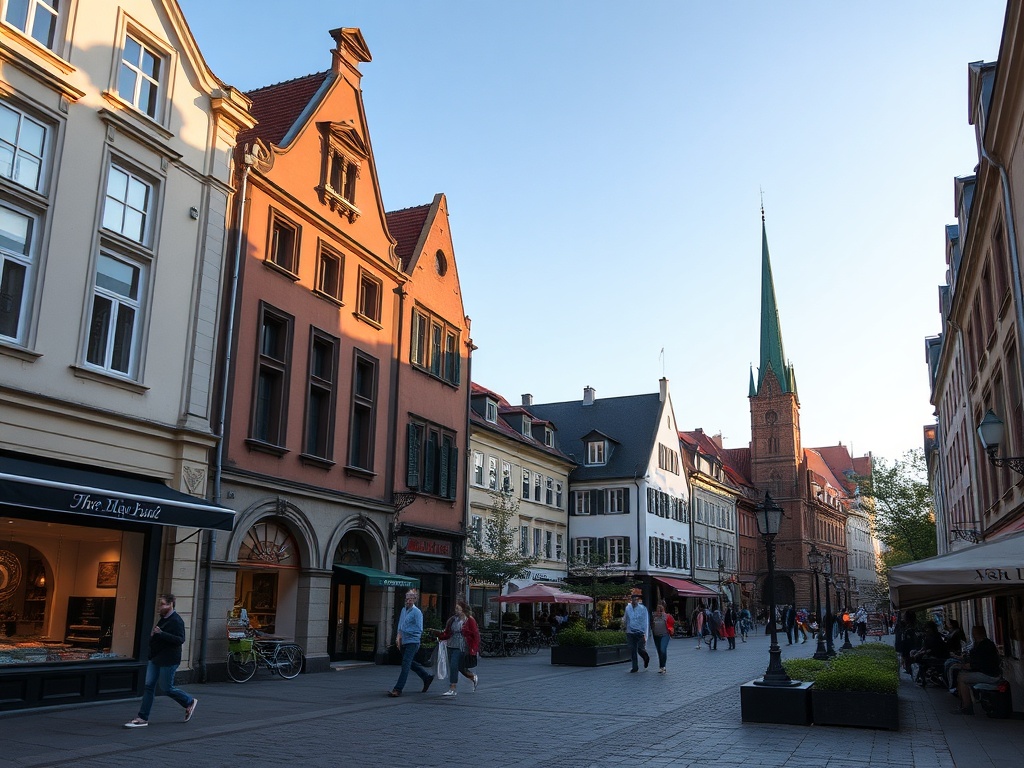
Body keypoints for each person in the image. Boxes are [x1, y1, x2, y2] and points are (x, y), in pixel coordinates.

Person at [124, 594, 198, 728]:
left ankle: (189, 701)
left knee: (166, 688)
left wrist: (161, 634)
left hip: (169, 660)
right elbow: (158, 636)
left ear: (171, 605)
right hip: (156, 658)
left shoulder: (176, 620)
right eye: (160, 604)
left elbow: (180, 639)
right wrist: (154, 637)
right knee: (149, 686)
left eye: (163, 604)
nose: (160, 607)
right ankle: (142, 717)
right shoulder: (163, 619)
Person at [387, 590, 434, 697]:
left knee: (405, 665)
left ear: (415, 600)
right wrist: (398, 636)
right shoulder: (404, 610)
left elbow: (419, 629)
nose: (408, 601)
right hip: (403, 641)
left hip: (413, 642)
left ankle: (397, 689)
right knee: (409, 663)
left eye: (411, 599)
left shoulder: (417, 612)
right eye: (407, 599)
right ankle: (426, 677)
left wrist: (404, 632)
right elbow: (400, 624)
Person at [953, 624, 1002, 715]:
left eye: (973, 633)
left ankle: (967, 707)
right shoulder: (986, 644)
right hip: (991, 673)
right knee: (963, 675)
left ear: (975, 634)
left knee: (962, 678)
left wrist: (963, 666)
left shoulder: (983, 646)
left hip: (989, 675)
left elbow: (975, 664)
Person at [436, 598, 480, 696]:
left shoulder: (469, 620)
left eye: (458, 609)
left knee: (453, 665)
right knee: (460, 667)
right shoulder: (452, 620)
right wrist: (440, 636)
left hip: (461, 646)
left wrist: (474, 648)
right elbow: (447, 632)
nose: (456, 611)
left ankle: (452, 687)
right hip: (451, 644)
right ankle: (472, 677)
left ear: (463, 609)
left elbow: (475, 634)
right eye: (456, 609)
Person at [910, 621, 949, 687]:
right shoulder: (928, 636)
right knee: (915, 654)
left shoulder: (936, 636)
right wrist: (918, 652)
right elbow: (925, 647)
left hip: (938, 655)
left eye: (928, 628)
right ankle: (920, 676)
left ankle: (922, 679)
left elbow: (932, 649)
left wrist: (920, 653)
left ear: (932, 628)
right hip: (932, 654)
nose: (927, 630)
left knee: (921, 660)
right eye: (926, 628)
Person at [623, 592, 650, 672]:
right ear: (631, 600)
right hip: (630, 632)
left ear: (638, 600)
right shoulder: (628, 608)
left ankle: (645, 657)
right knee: (632, 649)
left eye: (636, 599)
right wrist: (623, 623)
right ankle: (635, 667)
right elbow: (626, 618)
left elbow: (645, 621)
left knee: (640, 648)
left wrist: (645, 633)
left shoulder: (642, 609)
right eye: (633, 599)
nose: (634, 600)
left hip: (639, 632)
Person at [651, 601, 675, 673]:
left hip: (665, 635)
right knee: (659, 651)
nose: (659, 612)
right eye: (658, 610)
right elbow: (652, 625)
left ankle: (663, 666)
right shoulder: (654, 617)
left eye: (660, 611)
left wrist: (670, 629)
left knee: (662, 649)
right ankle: (661, 666)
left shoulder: (666, 616)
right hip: (656, 636)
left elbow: (672, 622)